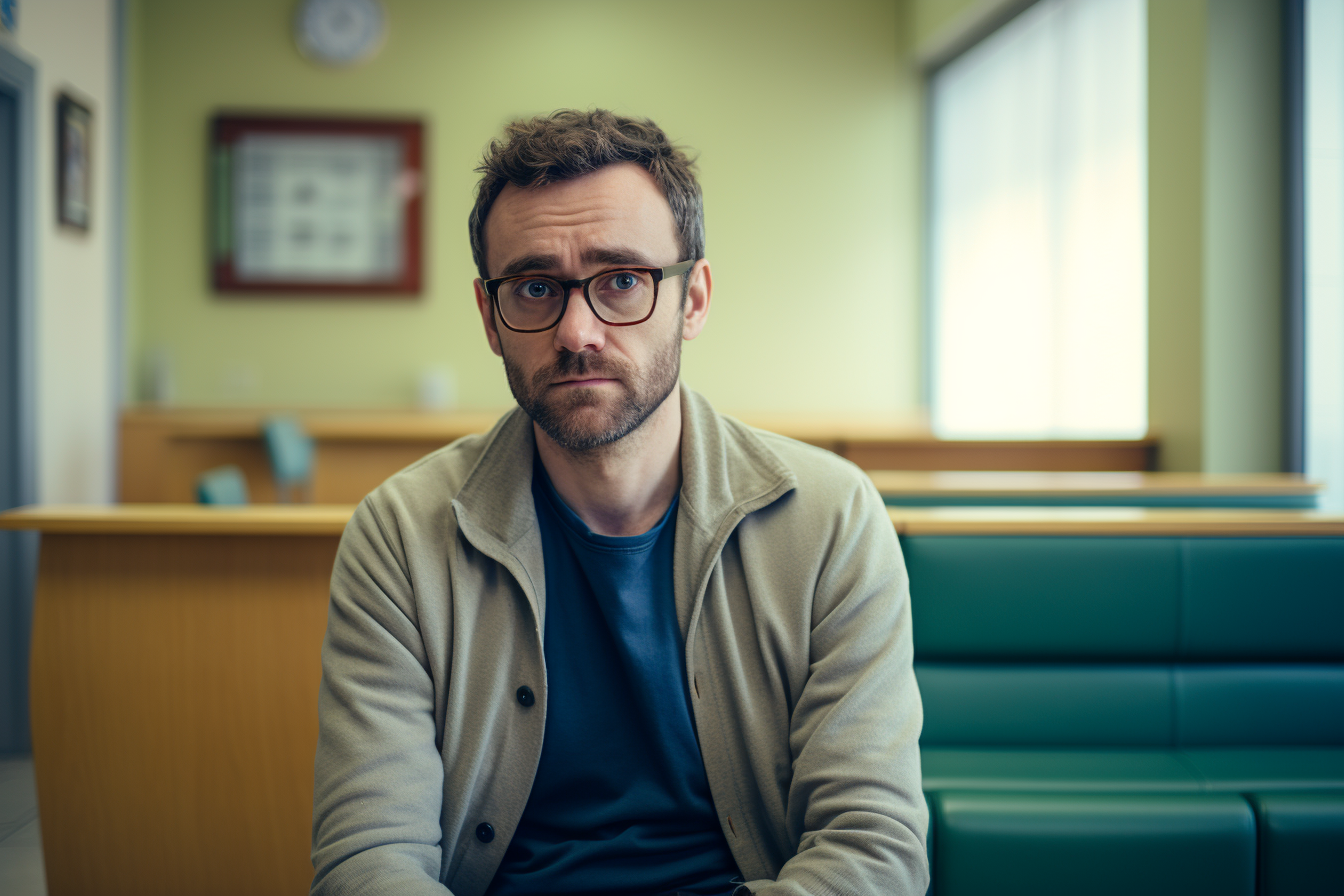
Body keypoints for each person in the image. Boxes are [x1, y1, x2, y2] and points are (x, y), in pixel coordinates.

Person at [310, 109, 928, 896]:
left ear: (693, 299)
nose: (577, 331)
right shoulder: (400, 536)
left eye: (623, 281)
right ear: (490, 319)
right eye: (534, 288)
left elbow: (873, 852)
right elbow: (367, 862)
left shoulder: (830, 520)